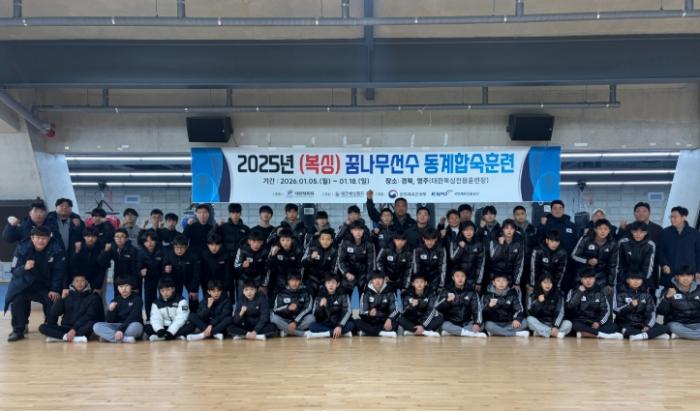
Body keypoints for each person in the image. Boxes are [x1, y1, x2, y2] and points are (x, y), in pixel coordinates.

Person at [5, 226, 64, 342]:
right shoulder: (21, 248)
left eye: (44, 238)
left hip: (45, 286)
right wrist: (24, 267)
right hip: (24, 285)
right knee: (17, 299)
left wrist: (55, 289)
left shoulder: (56, 249)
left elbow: (59, 272)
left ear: (49, 238)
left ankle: (50, 328)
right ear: (32, 238)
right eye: (38, 238)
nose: (41, 241)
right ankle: (18, 330)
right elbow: (14, 270)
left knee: (53, 299)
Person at [39, 273, 102, 343]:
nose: (79, 284)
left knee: (92, 324)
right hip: (66, 328)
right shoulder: (67, 296)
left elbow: (89, 316)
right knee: (42, 327)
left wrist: (74, 329)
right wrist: (61, 299)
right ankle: (68, 338)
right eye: (77, 281)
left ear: (86, 282)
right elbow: (54, 312)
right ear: (73, 283)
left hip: (80, 328)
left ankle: (59, 337)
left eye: (82, 281)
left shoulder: (93, 297)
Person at [566, 268, 622, 339]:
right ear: (581, 279)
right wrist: (579, 292)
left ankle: (586, 334)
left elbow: (606, 310)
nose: (588, 281)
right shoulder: (573, 290)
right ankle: (604, 336)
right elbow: (569, 307)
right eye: (585, 278)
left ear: (594, 279)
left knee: (614, 326)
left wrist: (599, 322)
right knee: (574, 325)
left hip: (595, 322)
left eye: (591, 278)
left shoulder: (600, 291)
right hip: (580, 321)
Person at [613, 271, 669, 340]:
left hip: (641, 324)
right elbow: (617, 311)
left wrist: (648, 325)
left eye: (639, 279)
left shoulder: (647, 295)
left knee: (665, 328)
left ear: (642, 281)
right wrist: (630, 306)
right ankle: (649, 335)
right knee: (623, 329)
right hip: (625, 323)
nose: (636, 281)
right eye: (633, 278)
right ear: (627, 280)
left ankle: (641, 335)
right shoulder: (620, 294)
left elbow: (651, 312)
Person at [537, 200, 578, 291]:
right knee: (550, 290)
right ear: (551, 210)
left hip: (568, 264)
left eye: (560, 208)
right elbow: (539, 241)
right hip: (550, 265)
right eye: (555, 208)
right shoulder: (546, 223)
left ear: (563, 209)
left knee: (566, 288)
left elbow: (576, 243)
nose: (557, 210)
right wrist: (542, 226)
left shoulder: (571, 225)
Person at [571, 219, 619, 295]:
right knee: (580, 297)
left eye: (605, 229)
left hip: (601, 276)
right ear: (595, 229)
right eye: (600, 229)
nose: (603, 231)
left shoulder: (613, 244)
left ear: (609, 230)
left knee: (599, 298)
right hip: (584, 274)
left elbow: (612, 265)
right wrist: (587, 261)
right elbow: (574, 255)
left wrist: (610, 284)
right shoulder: (585, 239)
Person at [93, 276, 144, 343]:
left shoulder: (137, 299)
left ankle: (110, 337)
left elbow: (134, 317)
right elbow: (109, 321)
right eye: (121, 286)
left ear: (131, 286)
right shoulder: (115, 300)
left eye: (126, 286)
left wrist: (120, 330)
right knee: (96, 326)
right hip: (118, 326)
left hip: (131, 325)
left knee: (136, 326)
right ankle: (124, 339)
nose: (124, 289)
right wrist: (110, 311)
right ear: (117, 288)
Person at [658, 206, 700, 288]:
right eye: (671, 217)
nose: (672, 219)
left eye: (675, 217)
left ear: (683, 217)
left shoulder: (695, 234)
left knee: (687, 294)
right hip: (669, 272)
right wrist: (664, 264)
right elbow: (660, 251)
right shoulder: (665, 232)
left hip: (687, 274)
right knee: (667, 294)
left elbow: (699, 253)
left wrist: (698, 270)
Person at [436, 269, 486, 338]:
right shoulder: (446, 290)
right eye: (457, 276)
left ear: (465, 278)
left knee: (481, 325)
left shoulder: (471, 292)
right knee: (443, 325)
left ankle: (454, 332)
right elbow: (437, 307)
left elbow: (477, 309)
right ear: (453, 278)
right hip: (451, 322)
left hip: (466, 322)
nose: (460, 278)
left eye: (462, 276)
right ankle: (469, 333)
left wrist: (477, 323)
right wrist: (447, 301)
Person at [656, 265, 700, 340]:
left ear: (693, 277)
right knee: (672, 327)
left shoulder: (698, 289)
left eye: (689, 275)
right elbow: (661, 311)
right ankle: (691, 334)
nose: (686, 278)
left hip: (697, 323)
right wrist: (667, 298)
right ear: (677, 277)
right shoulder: (668, 289)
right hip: (678, 324)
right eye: (682, 276)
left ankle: (682, 335)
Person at [305, 275, 354, 339]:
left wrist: (340, 326)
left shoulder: (343, 294)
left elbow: (348, 311)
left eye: (333, 283)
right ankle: (338, 333)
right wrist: (321, 307)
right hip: (326, 323)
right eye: (328, 283)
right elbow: (315, 314)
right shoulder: (320, 295)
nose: (331, 285)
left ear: (338, 284)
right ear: (325, 284)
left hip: (339, 322)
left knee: (351, 324)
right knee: (312, 326)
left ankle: (326, 333)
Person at [481, 272, 529, 337]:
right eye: (498, 281)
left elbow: (519, 309)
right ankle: (515, 334)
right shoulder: (488, 295)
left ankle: (496, 332)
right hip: (494, 323)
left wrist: (517, 319)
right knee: (487, 325)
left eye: (504, 281)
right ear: (493, 283)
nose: (501, 283)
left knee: (525, 322)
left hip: (510, 323)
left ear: (507, 282)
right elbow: (482, 313)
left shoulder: (512, 294)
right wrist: (489, 306)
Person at [355, 271, 399, 338]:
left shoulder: (390, 292)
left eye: (380, 278)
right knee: (356, 322)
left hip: (385, 321)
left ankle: (369, 332)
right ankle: (382, 333)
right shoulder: (365, 293)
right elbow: (362, 312)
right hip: (370, 321)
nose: (377, 281)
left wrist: (389, 319)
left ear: (384, 280)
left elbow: (395, 310)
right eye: (375, 279)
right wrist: (369, 313)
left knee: (396, 323)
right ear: (371, 281)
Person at [145, 276, 190, 341]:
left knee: (190, 326)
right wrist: (159, 329)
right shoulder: (156, 303)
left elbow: (182, 317)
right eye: (162, 291)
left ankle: (163, 337)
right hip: (164, 326)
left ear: (173, 289)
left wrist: (171, 331)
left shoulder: (182, 300)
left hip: (177, 327)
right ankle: (172, 336)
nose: (165, 293)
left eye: (168, 290)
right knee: (147, 327)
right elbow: (156, 318)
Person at [336, 220, 375, 294]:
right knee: (343, 292)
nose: (358, 232)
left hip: (363, 275)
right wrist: (346, 273)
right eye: (355, 230)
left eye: (360, 230)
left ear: (363, 231)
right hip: (348, 273)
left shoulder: (369, 243)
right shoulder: (345, 242)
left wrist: (368, 279)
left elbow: (371, 264)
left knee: (368, 291)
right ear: (351, 231)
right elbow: (341, 261)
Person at [526, 274, 571, 339]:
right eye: (545, 282)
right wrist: (538, 302)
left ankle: (541, 332)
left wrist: (555, 326)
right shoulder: (534, 294)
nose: (547, 285)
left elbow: (560, 312)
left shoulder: (558, 294)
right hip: (541, 322)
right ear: (540, 284)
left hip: (554, 323)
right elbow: (530, 312)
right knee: (529, 319)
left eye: (550, 282)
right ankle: (554, 334)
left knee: (568, 324)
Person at [270, 272, 314, 337]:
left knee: (311, 318)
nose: (294, 283)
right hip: (286, 320)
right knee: (273, 318)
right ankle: (301, 333)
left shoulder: (306, 292)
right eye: (292, 281)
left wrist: (295, 322)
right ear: (288, 281)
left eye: (297, 281)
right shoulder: (281, 293)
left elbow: (308, 308)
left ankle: (287, 332)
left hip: (299, 321)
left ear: (300, 281)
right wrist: (287, 308)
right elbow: (275, 309)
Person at [70, 227, 110, 297]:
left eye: (93, 236)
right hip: (81, 278)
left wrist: (98, 286)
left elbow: (102, 268)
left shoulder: (101, 247)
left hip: (96, 278)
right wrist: (76, 252)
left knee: (96, 297)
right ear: (84, 237)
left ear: (97, 237)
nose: (91, 239)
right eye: (88, 236)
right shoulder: (78, 246)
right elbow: (71, 264)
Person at [616, 221, 656, 289]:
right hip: (624, 281)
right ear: (631, 231)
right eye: (635, 231)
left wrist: (640, 281)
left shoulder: (650, 245)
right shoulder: (623, 242)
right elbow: (619, 264)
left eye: (641, 232)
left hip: (642, 282)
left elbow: (648, 266)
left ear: (646, 232)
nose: (638, 234)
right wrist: (626, 279)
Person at [266, 228, 303, 301]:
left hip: (292, 278)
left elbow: (299, 267)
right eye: (282, 240)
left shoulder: (297, 251)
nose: (285, 243)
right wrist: (272, 255)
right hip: (278, 278)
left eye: (288, 240)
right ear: (279, 240)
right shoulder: (275, 249)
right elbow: (269, 266)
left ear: (292, 240)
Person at [99, 228, 139, 295]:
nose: (119, 238)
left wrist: (135, 285)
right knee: (117, 298)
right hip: (117, 277)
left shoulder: (133, 250)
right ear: (114, 238)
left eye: (122, 236)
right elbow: (102, 262)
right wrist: (105, 251)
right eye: (117, 236)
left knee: (131, 298)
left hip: (130, 278)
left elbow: (135, 269)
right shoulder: (112, 248)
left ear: (127, 239)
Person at [449, 221, 485, 292]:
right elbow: (453, 259)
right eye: (466, 230)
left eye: (471, 230)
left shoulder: (479, 244)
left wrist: (478, 282)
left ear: (474, 231)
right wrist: (461, 248)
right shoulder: (455, 241)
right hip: (458, 277)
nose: (469, 232)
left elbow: (481, 264)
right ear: (462, 231)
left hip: (472, 278)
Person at [488, 218, 525, 287]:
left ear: (515, 230)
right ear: (502, 229)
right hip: (495, 277)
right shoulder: (494, 240)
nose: (509, 230)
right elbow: (492, 258)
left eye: (512, 228)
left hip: (510, 278)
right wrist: (500, 245)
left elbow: (519, 263)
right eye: (506, 228)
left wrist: (516, 283)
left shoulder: (519, 243)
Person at [301, 228, 338, 297]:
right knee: (310, 291)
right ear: (319, 239)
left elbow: (334, 270)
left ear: (331, 241)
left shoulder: (334, 251)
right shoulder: (312, 247)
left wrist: (327, 281)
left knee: (325, 293)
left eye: (328, 239)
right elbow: (303, 264)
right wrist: (310, 258)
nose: (325, 241)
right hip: (311, 278)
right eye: (323, 239)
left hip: (326, 279)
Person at [233, 230, 269, 300]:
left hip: (258, 279)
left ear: (262, 242)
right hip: (243, 279)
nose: (256, 244)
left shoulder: (265, 251)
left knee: (259, 301)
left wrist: (264, 285)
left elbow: (267, 269)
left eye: (258, 242)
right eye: (253, 241)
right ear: (249, 241)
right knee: (241, 300)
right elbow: (236, 266)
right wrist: (242, 265)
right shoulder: (242, 249)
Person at [138, 230, 165, 318]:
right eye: (146, 241)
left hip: (161, 278)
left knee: (163, 297)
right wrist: (141, 271)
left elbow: (166, 264)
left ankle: (163, 317)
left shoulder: (162, 250)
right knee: (149, 298)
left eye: (151, 240)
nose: (149, 243)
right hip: (149, 278)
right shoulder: (141, 252)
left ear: (156, 241)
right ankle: (149, 317)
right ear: (143, 242)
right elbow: (138, 266)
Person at [411, 227, 446, 292]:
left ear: (436, 239)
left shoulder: (441, 249)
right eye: (427, 240)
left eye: (432, 240)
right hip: (422, 276)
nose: (429, 242)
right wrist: (419, 282)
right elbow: (416, 267)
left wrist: (441, 285)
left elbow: (442, 267)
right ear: (423, 239)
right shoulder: (417, 249)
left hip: (435, 277)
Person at [200, 231, 232, 300]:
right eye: (211, 245)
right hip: (208, 287)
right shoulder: (203, 255)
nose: (214, 247)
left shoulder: (226, 255)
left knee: (224, 304)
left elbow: (228, 273)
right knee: (208, 304)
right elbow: (202, 274)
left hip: (222, 287)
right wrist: (206, 288)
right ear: (207, 245)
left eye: (217, 245)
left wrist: (227, 289)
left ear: (220, 245)